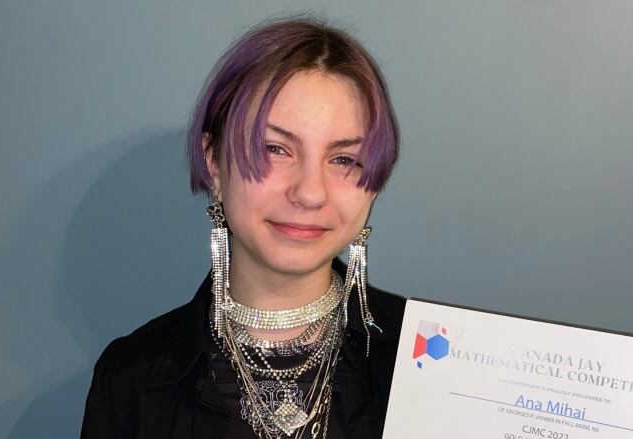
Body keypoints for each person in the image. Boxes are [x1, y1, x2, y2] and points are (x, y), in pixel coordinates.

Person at [81, 15, 404, 438]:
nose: (310, 193)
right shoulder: (132, 378)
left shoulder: (431, 363)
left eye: (343, 159)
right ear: (214, 163)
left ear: (374, 184)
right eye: (275, 149)